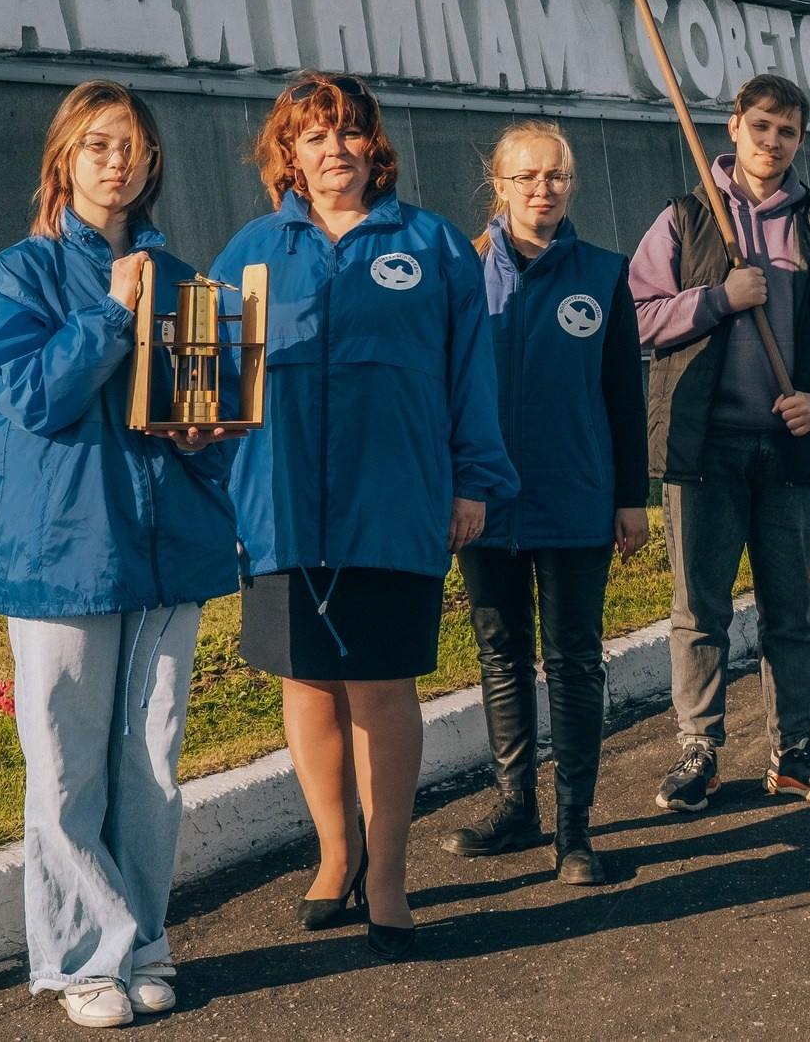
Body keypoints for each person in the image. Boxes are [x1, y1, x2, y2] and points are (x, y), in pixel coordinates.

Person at [210, 72, 514, 959]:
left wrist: (473, 480)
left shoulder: (432, 245)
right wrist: (224, 488)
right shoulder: (251, 251)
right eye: (313, 136)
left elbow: (471, 372)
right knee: (306, 682)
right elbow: (218, 386)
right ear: (289, 155)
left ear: (373, 147)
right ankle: (334, 851)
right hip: (282, 505)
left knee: (382, 687)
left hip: (396, 497)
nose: (332, 149)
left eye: (347, 133)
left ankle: (388, 870)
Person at [0, 81, 241, 1030]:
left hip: (170, 550)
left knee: (150, 766)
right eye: (97, 144)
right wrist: (112, 314)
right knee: (68, 767)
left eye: (130, 145)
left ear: (152, 162)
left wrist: (212, 433)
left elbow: (204, 408)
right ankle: (86, 956)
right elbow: (36, 399)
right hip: (66, 552)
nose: (116, 160)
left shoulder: (185, 273)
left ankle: (145, 940)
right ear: (64, 160)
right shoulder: (19, 276)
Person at [631, 73, 810, 811]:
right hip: (702, 447)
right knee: (699, 607)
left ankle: (794, 752)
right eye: (762, 126)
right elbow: (636, 314)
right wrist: (718, 299)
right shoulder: (684, 218)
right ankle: (699, 750)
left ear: (799, 141)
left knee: (791, 609)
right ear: (733, 126)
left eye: (788, 132)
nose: (773, 142)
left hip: (789, 449)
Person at [440, 120, 648, 883]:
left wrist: (632, 497)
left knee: (573, 659)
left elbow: (623, 393)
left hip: (576, 499)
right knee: (500, 655)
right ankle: (515, 806)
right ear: (498, 184)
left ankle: (575, 827)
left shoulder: (602, 272)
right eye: (526, 176)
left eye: (554, 175)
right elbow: (442, 391)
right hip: (484, 506)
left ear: (571, 183)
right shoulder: (461, 271)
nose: (541, 189)